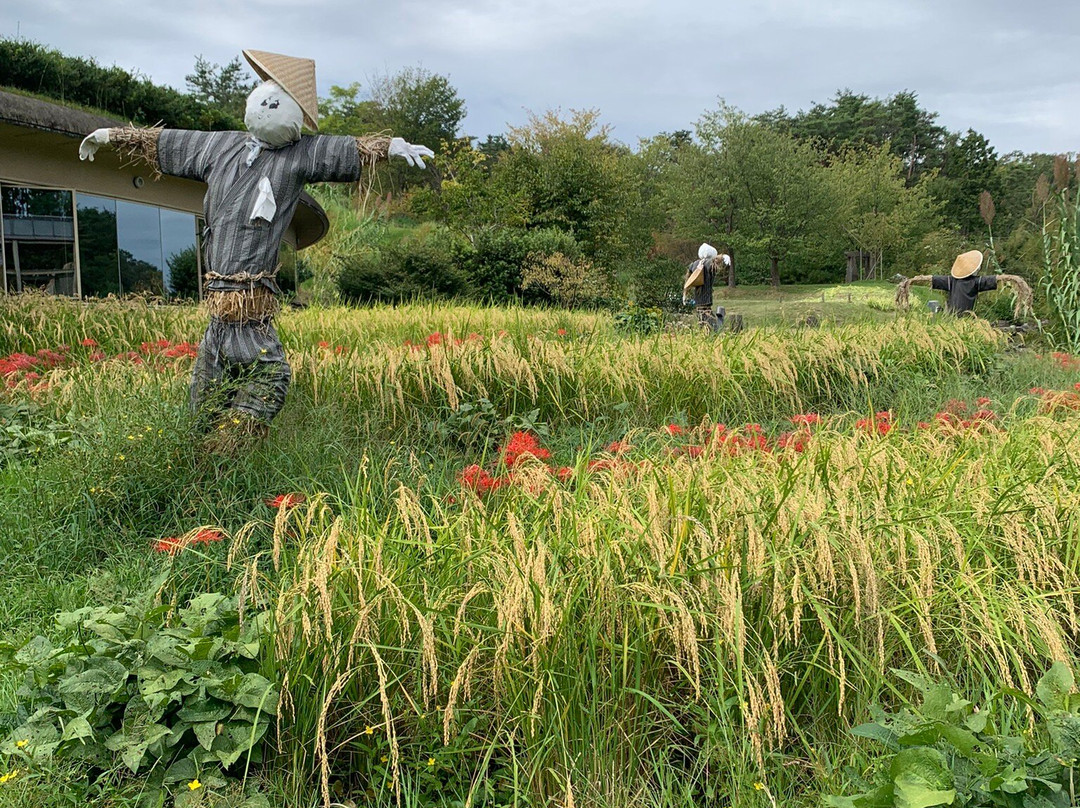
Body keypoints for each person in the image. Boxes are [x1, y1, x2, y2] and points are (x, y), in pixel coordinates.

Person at [79, 49, 433, 445]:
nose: (267, 108)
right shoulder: (220, 147)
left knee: (268, 375)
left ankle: (227, 446)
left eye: (277, 104)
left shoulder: (298, 155)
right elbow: (167, 142)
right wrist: (112, 136)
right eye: (264, 100)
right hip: (218, 302)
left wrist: (389, 147)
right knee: (209, 390)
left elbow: (341, 148)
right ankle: (201, 460)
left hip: (252, 303)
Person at [895, 250, 1032, 318]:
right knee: (935, 305)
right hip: (966, 318)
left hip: (950, 316)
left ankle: (938, 312)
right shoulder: (975, 282)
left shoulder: (951, 281)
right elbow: (996, 278)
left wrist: (911, 281)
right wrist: (1015, 279)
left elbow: (930, 278)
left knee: (933, 305)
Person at [684, 243, 731, 332]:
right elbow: (715, 261)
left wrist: (685, 293)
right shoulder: (707, 263)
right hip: (705, 302)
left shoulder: (695, 264)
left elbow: (688, 278)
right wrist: (723, 256)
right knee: (712, 326)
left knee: (703, 321)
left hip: (698, 300)